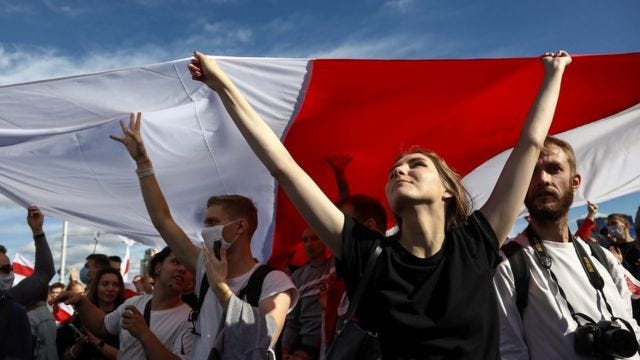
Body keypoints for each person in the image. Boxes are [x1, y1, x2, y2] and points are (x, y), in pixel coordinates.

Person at [187, 49, 571, 358]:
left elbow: (530, 145)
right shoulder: (367, 253)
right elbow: (284, 167)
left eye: (416, 165)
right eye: (394, 170)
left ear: (447, 190)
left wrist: (554, 74)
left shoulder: (477, 242)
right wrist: (224, 87)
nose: (400, 171)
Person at [110, 120, 298, 359]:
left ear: (240, 227)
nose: (204, 230)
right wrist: (143, 164)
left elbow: (264, 336)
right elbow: (163, 220)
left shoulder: (274, 282)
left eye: (212, 223)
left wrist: (221, 289)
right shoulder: (204, 268)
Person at [493, 137, 640, 359]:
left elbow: (630, 325)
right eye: (532, 171)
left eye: (554, 169)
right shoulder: (508, 264)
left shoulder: (602, 257)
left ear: (574, 181)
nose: (543, 179)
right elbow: (509, 350)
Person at [56, 247, 194, 360]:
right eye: (176, 262)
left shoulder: (191, 319)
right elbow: (102, 326)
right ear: (158, 267)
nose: (182, 269)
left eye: (187, 267)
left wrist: (145, 334)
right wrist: (81, 302)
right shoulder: (135, 303)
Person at [0, 205, 55, 358]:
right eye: (5, 269)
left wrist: (38, 232)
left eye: (10, 267)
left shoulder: (8, 300)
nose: (10, 273)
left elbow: (45, 272)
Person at [282, 227, 335, 360]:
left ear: (324, 241)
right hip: (308, 347)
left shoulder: (335, 266)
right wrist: (283, 349)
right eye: (305, 240)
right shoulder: (297, 277)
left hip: (336, 341)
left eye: (315, 238)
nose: (309, 244)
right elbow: (292, 322)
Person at [58, 268, 124, 360]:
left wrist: (97, 342)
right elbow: (65, 356)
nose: (110, 288)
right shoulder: (81, 317)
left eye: (115, 285)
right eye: (105, 284)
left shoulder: (125, 317)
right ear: (96, 287)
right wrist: (79, 346)